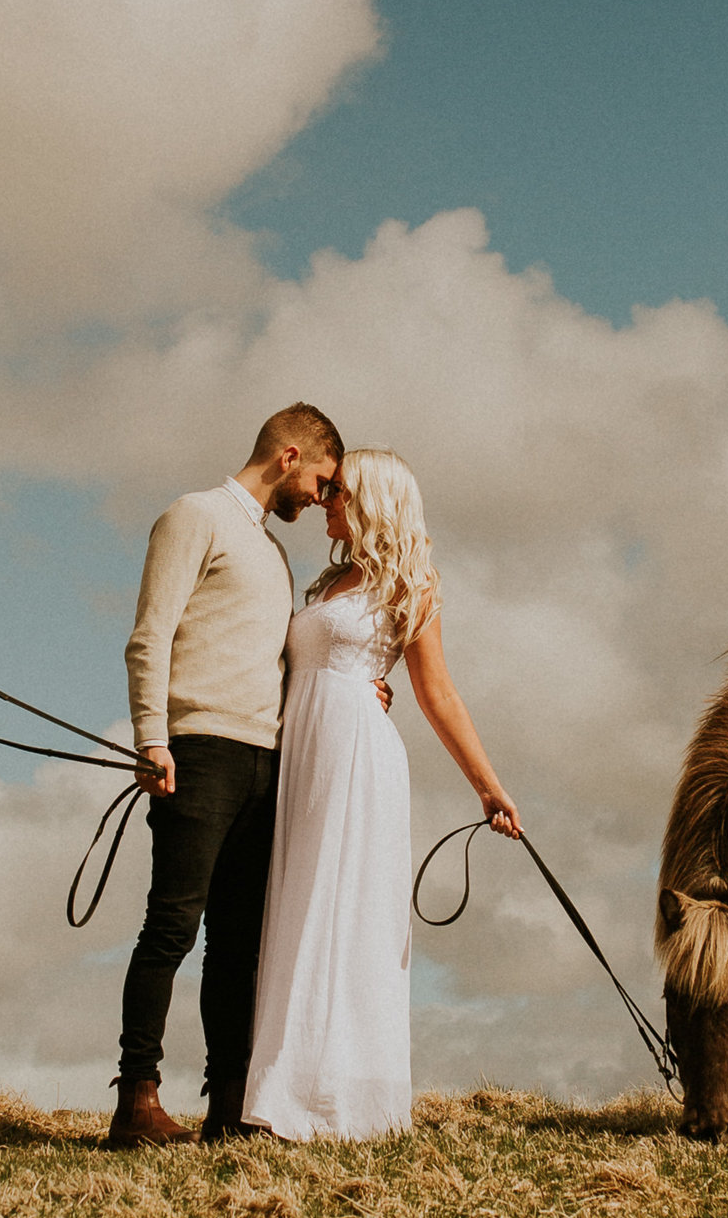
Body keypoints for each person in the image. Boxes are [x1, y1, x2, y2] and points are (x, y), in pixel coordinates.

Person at [241, 448, 519, 1143]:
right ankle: (282, 1090)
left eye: (340, 495)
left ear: (373, 504)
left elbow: (439, 693)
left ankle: (335, 1103)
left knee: (343, 914)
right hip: (301, 751)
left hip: (355, 757)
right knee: (295, 905)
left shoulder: (410, 586)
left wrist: (489, 788)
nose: (326, 504)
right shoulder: (328, 584)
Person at [109, 402, 343, 1150]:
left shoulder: (272, 553)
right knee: (171, 927)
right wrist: (153, 737)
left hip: (263, 759)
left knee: (239, 942)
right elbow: (149, 635)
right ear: (290, 455)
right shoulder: (195, 516)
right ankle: (137, 1100)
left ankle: (229, 1106)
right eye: (322, 480)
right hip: (199, 747)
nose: (321, 497)